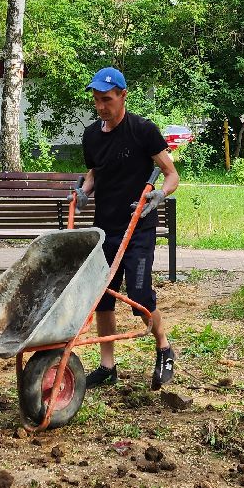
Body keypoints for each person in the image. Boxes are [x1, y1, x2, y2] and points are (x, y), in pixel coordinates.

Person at [74, 67, 180, 390]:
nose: (101, 106)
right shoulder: (91, 136)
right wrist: (83, 191)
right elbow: (94, 173)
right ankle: (108, 367)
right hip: (105, 229)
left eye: (107, 99)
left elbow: (171, 174)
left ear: (122, 96)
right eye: (96, 100)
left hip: (138, 228)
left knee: (139, 295)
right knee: (102, 296)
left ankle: (163, 346)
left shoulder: (142, 131)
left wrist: (159, 195)